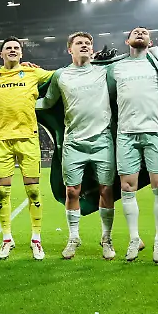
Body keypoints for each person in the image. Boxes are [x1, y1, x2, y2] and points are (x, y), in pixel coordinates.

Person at [0, 39, 55, 260]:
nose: (13, 50)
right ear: (1, 54)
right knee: (2, 192)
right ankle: (7, 239)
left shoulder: (33, 73)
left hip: (28, 139)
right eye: (8, 48)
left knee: (33, 191)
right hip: (1, 140)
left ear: (21, 53)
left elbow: (60, 76)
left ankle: (36, 239)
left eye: (16, 48)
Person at [108, 27, 158, 264]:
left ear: (150, 42)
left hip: (155, 132)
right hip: (126, 134)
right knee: (127, 188)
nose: (141, 33)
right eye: (136, 31)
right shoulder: (116, 67)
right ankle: (134, 239)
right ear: (127, 41)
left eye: (145, 32)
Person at [36, 32, 118, 260]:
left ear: (92, 50)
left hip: (102, 141)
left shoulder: (103, 71)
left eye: (88, 43)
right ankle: (73, 238)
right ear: (69, 49)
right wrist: (21, 102)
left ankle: (106, 238)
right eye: (79, 43)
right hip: (73, 142)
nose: (84, 46)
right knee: (72, 191)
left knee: (106, 190)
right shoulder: (61, 75)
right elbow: (48, 102)